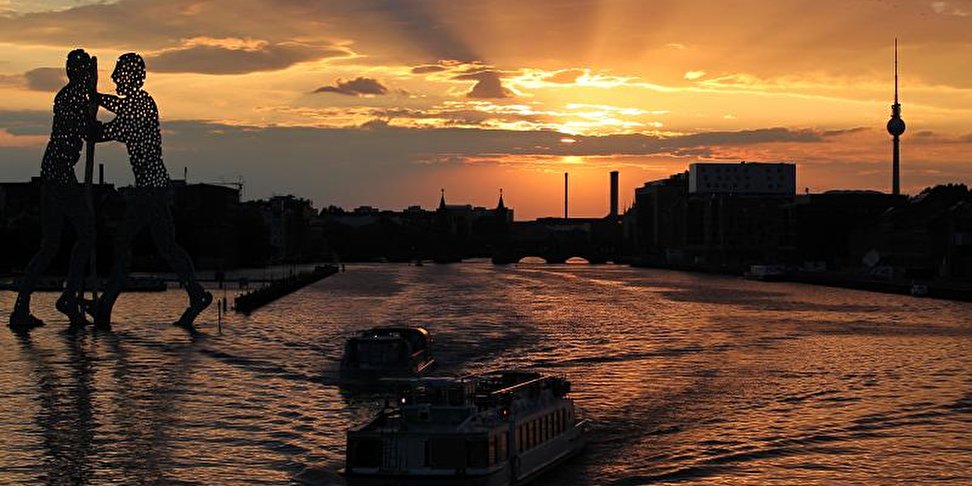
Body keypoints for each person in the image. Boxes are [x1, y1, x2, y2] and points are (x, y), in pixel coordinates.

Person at [94, 52, 211, 329]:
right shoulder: (133, 107)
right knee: (166, 246)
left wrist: (95, 101)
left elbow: (113, 126)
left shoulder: (142, 104)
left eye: (119, 74)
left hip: (151, 188)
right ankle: (196, 294)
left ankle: (106, 305)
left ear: (133, 77)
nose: (114, 78)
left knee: (124, 242)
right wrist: (96, 105)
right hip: (151, 187)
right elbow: (111, 122)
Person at [9, 49, 97, 330]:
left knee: (58, 243)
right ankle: (66, 298)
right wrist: (94, 99)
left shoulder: (74, 97)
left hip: (58, 172)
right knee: (83, 235)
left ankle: (31, 305)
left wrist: (93, 99)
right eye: (83, 72)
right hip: (58, 174)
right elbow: (90, 131)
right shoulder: (70, 97)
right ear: (76, 73)